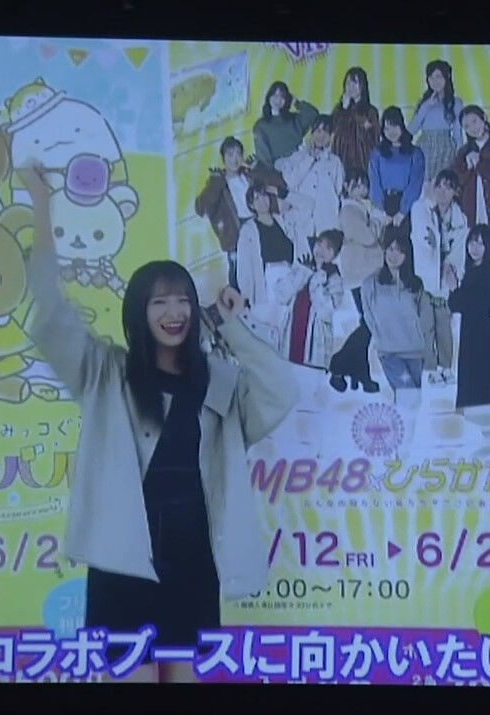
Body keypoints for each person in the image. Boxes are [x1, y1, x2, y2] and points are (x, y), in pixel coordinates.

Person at [18, 163, 300, 684]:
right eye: (160, 301)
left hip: (193, 564)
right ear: (139, 312)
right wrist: (42, 206)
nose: (174, 312)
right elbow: (51, 308)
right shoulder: (105, 372)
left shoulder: (217, 382)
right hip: (124, 563)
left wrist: (230, 325)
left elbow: (282, 390)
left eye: (183, 300)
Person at [443, 225, 490, 456]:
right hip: (473, 337)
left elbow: (467, 305)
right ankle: (489, 439)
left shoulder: (486, 273)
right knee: (478, 396)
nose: (475, 247)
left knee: (480, 396)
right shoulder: (472, 270)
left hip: (481, 340)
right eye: (472, 242)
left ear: (488, 247)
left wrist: (454, 288)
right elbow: (460, 305)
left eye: (481, 243)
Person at [361, 233, 431, 456]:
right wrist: (381, 337)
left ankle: (403, 442)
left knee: (414, 400)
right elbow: (368, 316)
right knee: (408, 396)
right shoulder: (371, 283)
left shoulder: (415, 284)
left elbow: (423, 316)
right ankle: (399, 447)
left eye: (399, 251)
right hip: (389, 352)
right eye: (390, 249)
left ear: (407, 255)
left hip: (415, 351)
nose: (393, 255)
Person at [194, 136, 287, 290]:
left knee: (264, 268)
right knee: (238, 273)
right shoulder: (219, 182)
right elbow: (201, 209)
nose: (235, 159)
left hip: (259, 223)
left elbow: (279, 183)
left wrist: (258, 168)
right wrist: (215, 181)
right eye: (230, 154)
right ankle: (237, 301)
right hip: (235, 232)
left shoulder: (249, 175)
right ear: (223, 158)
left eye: (238, 154)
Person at [236, 183, 311, 355]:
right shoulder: (248, 230)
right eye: (256, 199)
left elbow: (308, 206)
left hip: (292, 278)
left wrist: (282, 193)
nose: (261, 201)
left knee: (292, 331)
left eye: (263, 195)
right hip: (267, 283)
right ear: (251, 205)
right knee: (272, 334)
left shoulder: (284, 220)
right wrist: (247, 295)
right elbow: (244, 266)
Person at [410, 169, 468, 384]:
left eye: (449, 187)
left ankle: (446, 367)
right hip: (423, 278)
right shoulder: (421, 209)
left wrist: (451, 273)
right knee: (425, 327)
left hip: (445, 280)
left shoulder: (460, 219)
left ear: (455, 192)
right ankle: (429, 369)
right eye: (440, 186)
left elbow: (458, 251)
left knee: (444, 327)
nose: (443, 191)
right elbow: (423, 241)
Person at [275, 115, 344, 246]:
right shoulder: (297, 157)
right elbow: (290, 182)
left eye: (326, 132)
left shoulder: (335, 162)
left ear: (331, 136)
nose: (321, 135)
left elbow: (338, 190)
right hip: (302, 221)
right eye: (318, 130)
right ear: (311, 133)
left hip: (326, 222)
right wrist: (309, 159)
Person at [368, 106, 426, 245]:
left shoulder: (415, 153)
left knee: (404, 245)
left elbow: (415, 182)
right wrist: (382, 211)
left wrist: (402, 212)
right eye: (387, 128)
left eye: (394, 126)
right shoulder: (378, 153)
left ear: (402, 126)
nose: (391, 132)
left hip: (407, 204)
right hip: (384, 203)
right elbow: (374, 180)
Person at [291, 229, 346, 369]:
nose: (321, 250)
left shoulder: (334, 278)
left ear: (335, 255)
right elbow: (281, 295)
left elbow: (326, 311)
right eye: (319, 244)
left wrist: (318, 279)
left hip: (315, 337)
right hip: (293, 328)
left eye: (328, 248)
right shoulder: (302, 266)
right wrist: (303, 273)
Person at [452, 105, 490, 228]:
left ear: (484, 118)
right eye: (467, 126)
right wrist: (468, 168)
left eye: (474, 121)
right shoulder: (463, 151)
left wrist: (479, 163)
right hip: (471, 205)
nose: (472, 128)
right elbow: (457, 179)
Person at [409, 60, 466, 183]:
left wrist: (460, 155)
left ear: (447, 77)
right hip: (424, 147)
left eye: (439, 76)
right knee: (424, 185)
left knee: (443, 184)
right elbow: (411, 129)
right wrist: (426, 106)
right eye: (431, 77)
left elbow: (458, 133)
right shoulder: (423, 102)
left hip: (445, 148)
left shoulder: (456, 102)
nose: (435, 81)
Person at [337, 168, 389, 289]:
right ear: (346, 186)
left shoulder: (362, 207)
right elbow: (368, 237)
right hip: (360, 272)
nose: (362, 189)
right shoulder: (348, 211)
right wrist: (377, 217)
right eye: (357, 185)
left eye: (364, 184)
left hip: (367, 270)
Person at [252, 81, 319, 169]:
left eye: (282, 96)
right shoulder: (261, 126)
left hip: (301, 162)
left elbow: (313, 114)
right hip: (280, 168)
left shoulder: (294, 119)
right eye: (274, 95)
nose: (278, 100)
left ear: (287, 99)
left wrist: (296, 103)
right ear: (269, 97)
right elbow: (264, 157)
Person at [331, 67, 380, 178]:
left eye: (355, 83)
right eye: (348, 83)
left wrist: (354, 113)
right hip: (340, 164)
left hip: (362, 165)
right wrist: (343, 109)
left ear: (362, 86)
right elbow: (333, 130)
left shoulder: (371, 111)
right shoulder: (339, 109)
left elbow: (375, 139)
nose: (351, 87)